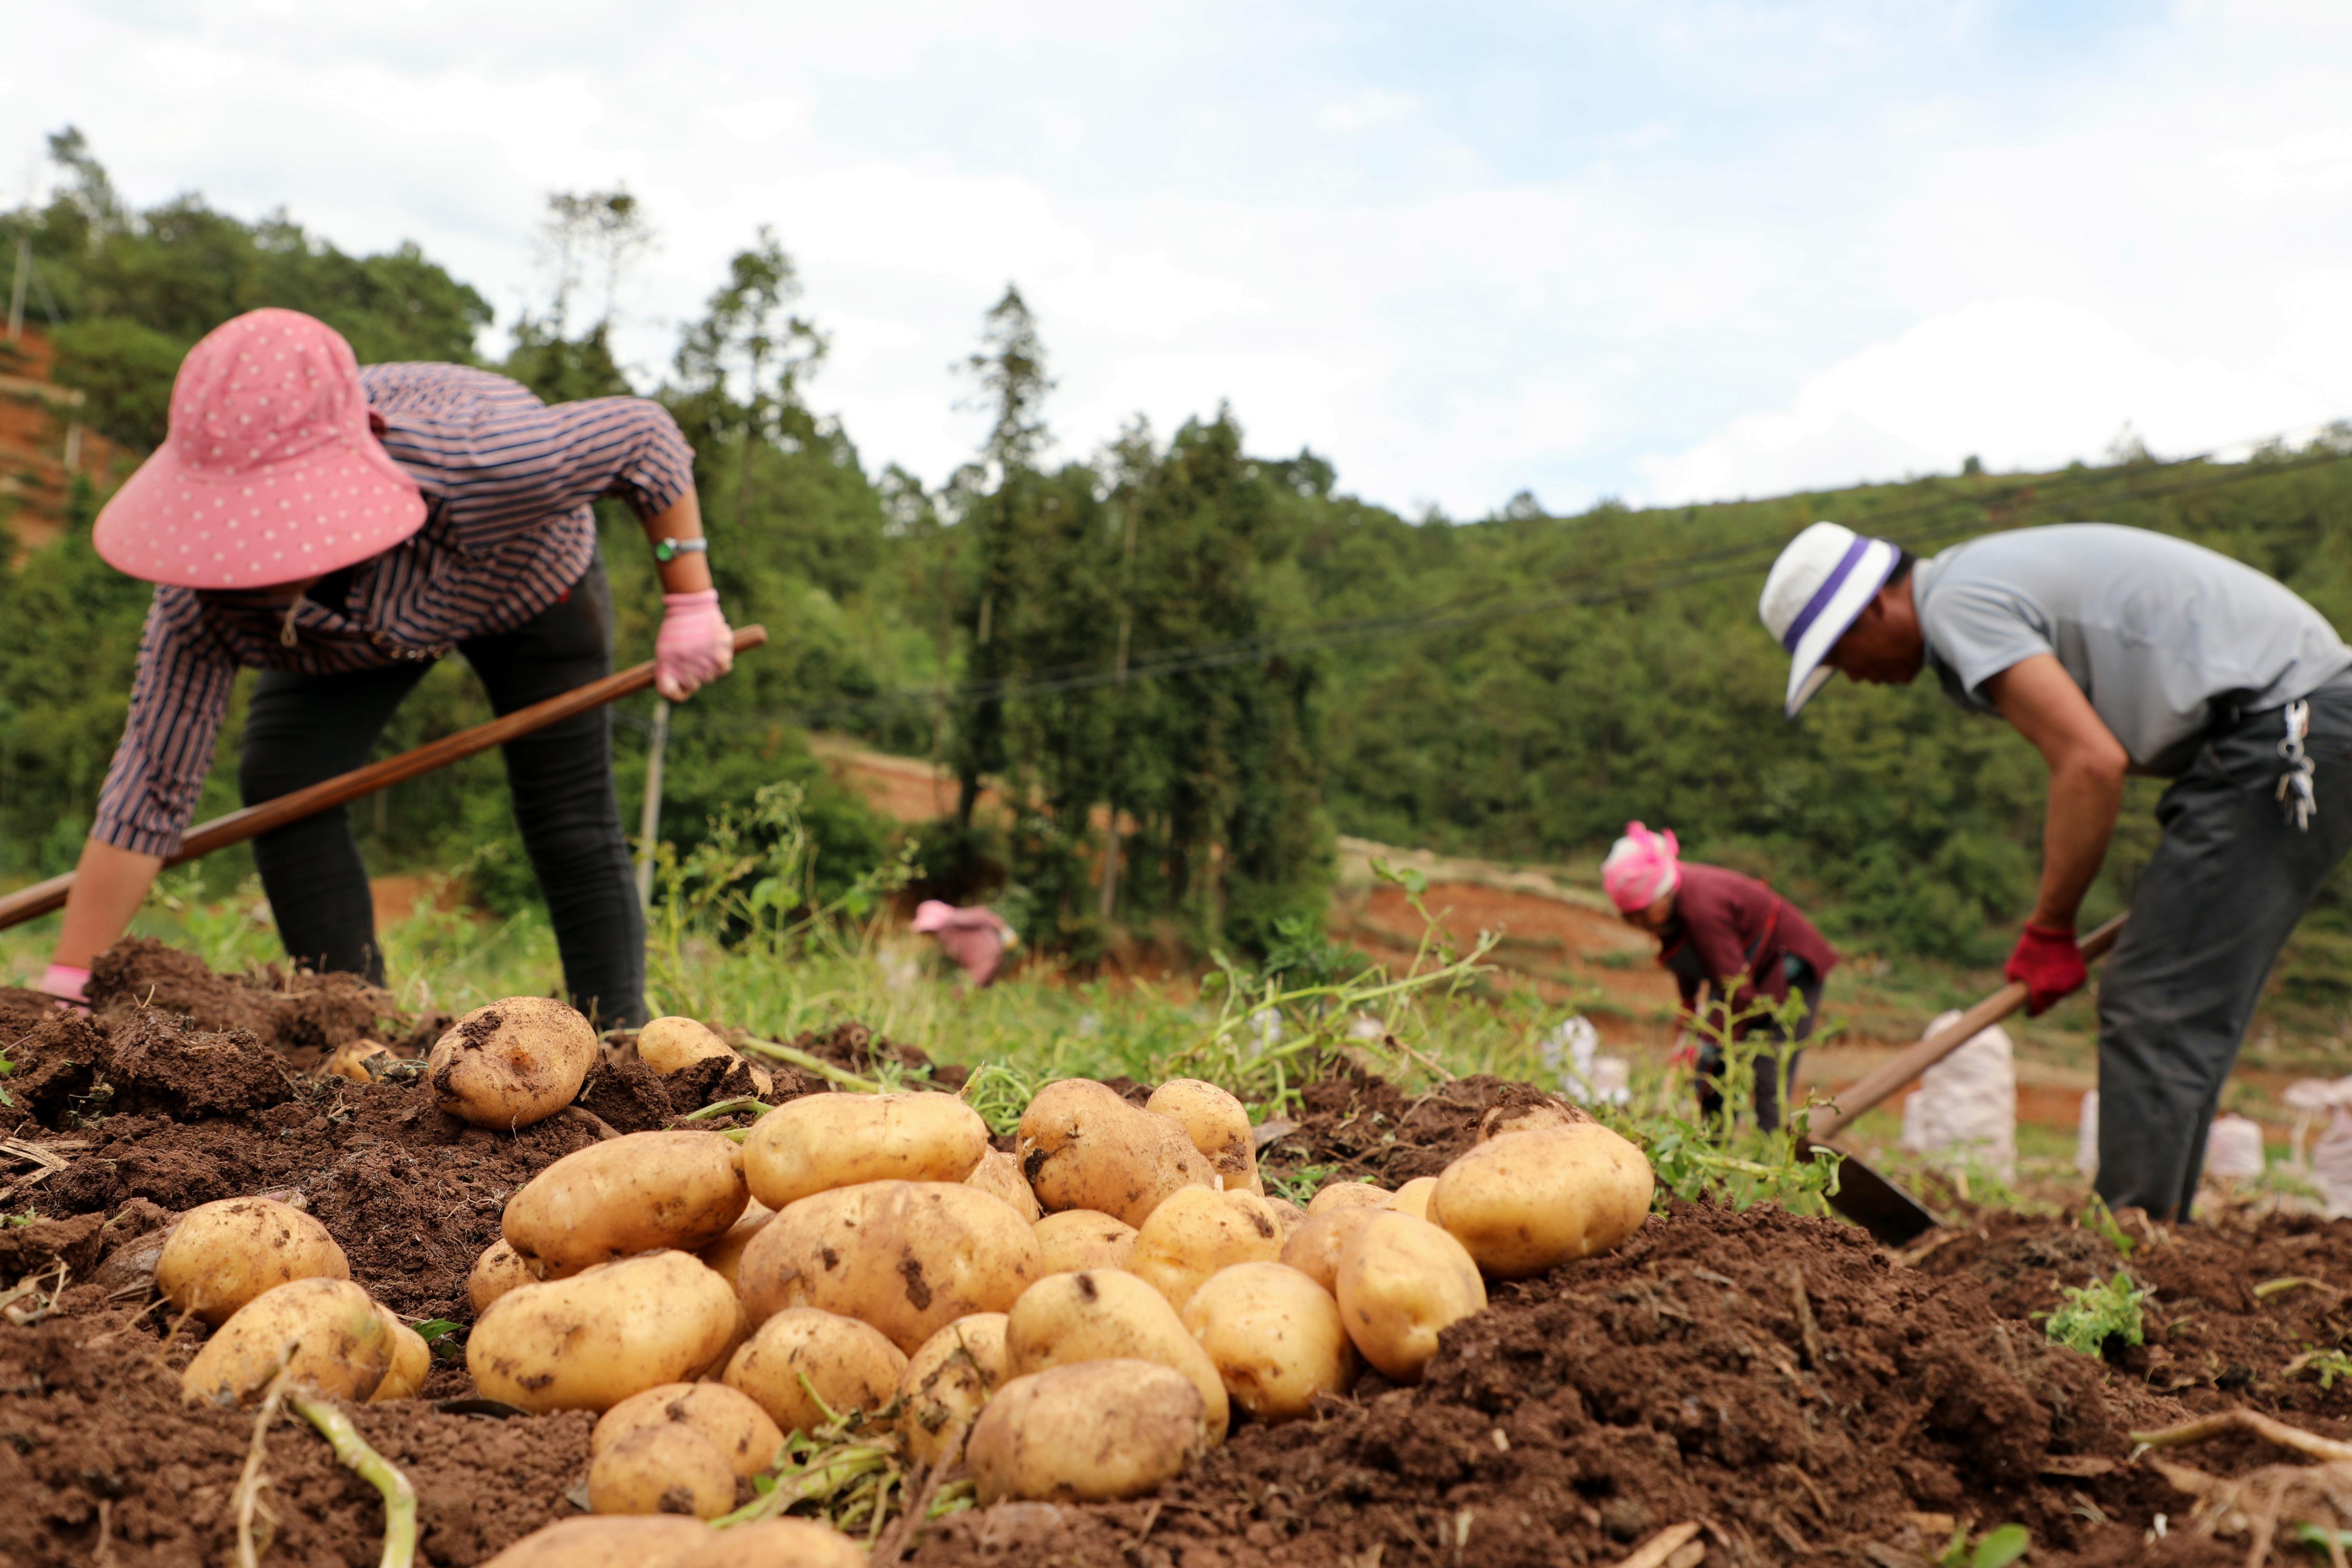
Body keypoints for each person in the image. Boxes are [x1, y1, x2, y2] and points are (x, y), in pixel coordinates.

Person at [40, 308, 739, 1028]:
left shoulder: (477, 459)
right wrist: (67, 983)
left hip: (529, 582)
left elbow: (647, 441)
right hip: (347, 635)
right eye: (237, 525)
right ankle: (353, 1022)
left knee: (568, 813)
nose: (253, 550)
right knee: (286, 788)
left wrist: (691, 599)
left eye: (273, 518)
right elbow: (149, 787)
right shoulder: (204, 597)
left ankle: (619, 1034)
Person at [1759, 519, 2352, 1219]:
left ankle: (2123, 1258)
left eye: (1840, 653)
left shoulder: (1958, 603)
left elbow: (2089, 764)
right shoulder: (1975, 576)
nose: (1854, 676)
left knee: (2157, 1000)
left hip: (2289, 726)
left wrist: (2049, 930)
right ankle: (2154, 1237)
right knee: (2174, 1003)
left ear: (1871, 607)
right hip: (2275, 729)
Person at [1603, 821, 1840, 1130]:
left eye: (1641, 914)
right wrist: (1689, 1005)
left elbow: (1738, 991)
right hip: (1740, 972)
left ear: (1661, 895)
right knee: (1713, 1070)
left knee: (1767, 1071)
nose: (1637, 923)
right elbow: (1687, 955)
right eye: (1630, 918)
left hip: (1788, 971)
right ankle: (1711, 1157)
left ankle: (1774, 1159)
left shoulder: (1702, 909)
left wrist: (1707, 1040)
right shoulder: (1673, 905)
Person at [909, 899, 1018, 987]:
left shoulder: (954, 919)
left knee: (962, 991)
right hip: (981, 959)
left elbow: (983, 915)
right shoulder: (944, 933)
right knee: (981, 989)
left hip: (985, 957)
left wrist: (1004, 930)